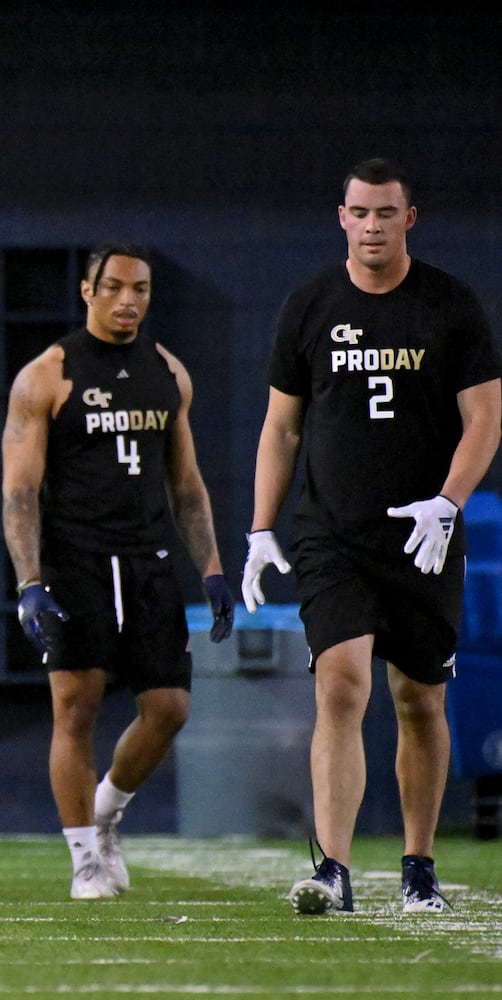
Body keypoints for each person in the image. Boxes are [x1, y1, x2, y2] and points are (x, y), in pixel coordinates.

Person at [243, 157, 502, 916]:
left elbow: (485, 417)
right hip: (333, 536)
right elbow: (281, 427)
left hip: (425, 534)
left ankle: (420, 868)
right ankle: (333, 870)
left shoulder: (450, 305)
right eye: (361, 213)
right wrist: (261, 527)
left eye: (387, 213)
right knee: (341, 684)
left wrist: (449, 504)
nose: (374, 226)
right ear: (342, 217)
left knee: (420, 699)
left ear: (409, 219)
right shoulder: (309, 304)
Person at [1, 244, 234, 900]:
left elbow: (186, 485)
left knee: (169, 708)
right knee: (74, 708)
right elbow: (18, 492)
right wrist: (30, 583)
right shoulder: (47, 375)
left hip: (149, 559)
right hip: (75, 561)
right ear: (88, 291)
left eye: (141, 289)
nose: (128, 300)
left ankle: (105, 811)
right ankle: (85, 859)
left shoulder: (168, 373)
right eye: (115, 287)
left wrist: (212, 568)